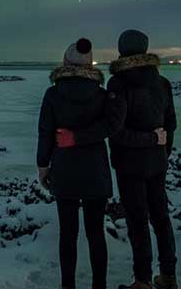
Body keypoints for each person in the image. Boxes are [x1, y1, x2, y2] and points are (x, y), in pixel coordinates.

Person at [56, 30, 178, 289]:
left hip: (129, 164)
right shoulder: (163, 83)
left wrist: (75, 138)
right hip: (157, 163)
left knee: (138, 221)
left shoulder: (118, 84)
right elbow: (171, 127)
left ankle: (143, 281)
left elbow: (116, 129)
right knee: (161, 217)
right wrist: (160, 149)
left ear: (122, 51)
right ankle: (168, 276)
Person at [37, 38, 127, 289]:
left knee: (68, 234)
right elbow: (111, 126)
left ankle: (68, 286)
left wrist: (43, 166)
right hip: (95, 172)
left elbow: (45, 132)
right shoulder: (101, 94)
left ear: (66, 62)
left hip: (64, 171)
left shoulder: (53, 94)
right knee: (96, 233)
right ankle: (100, 285)